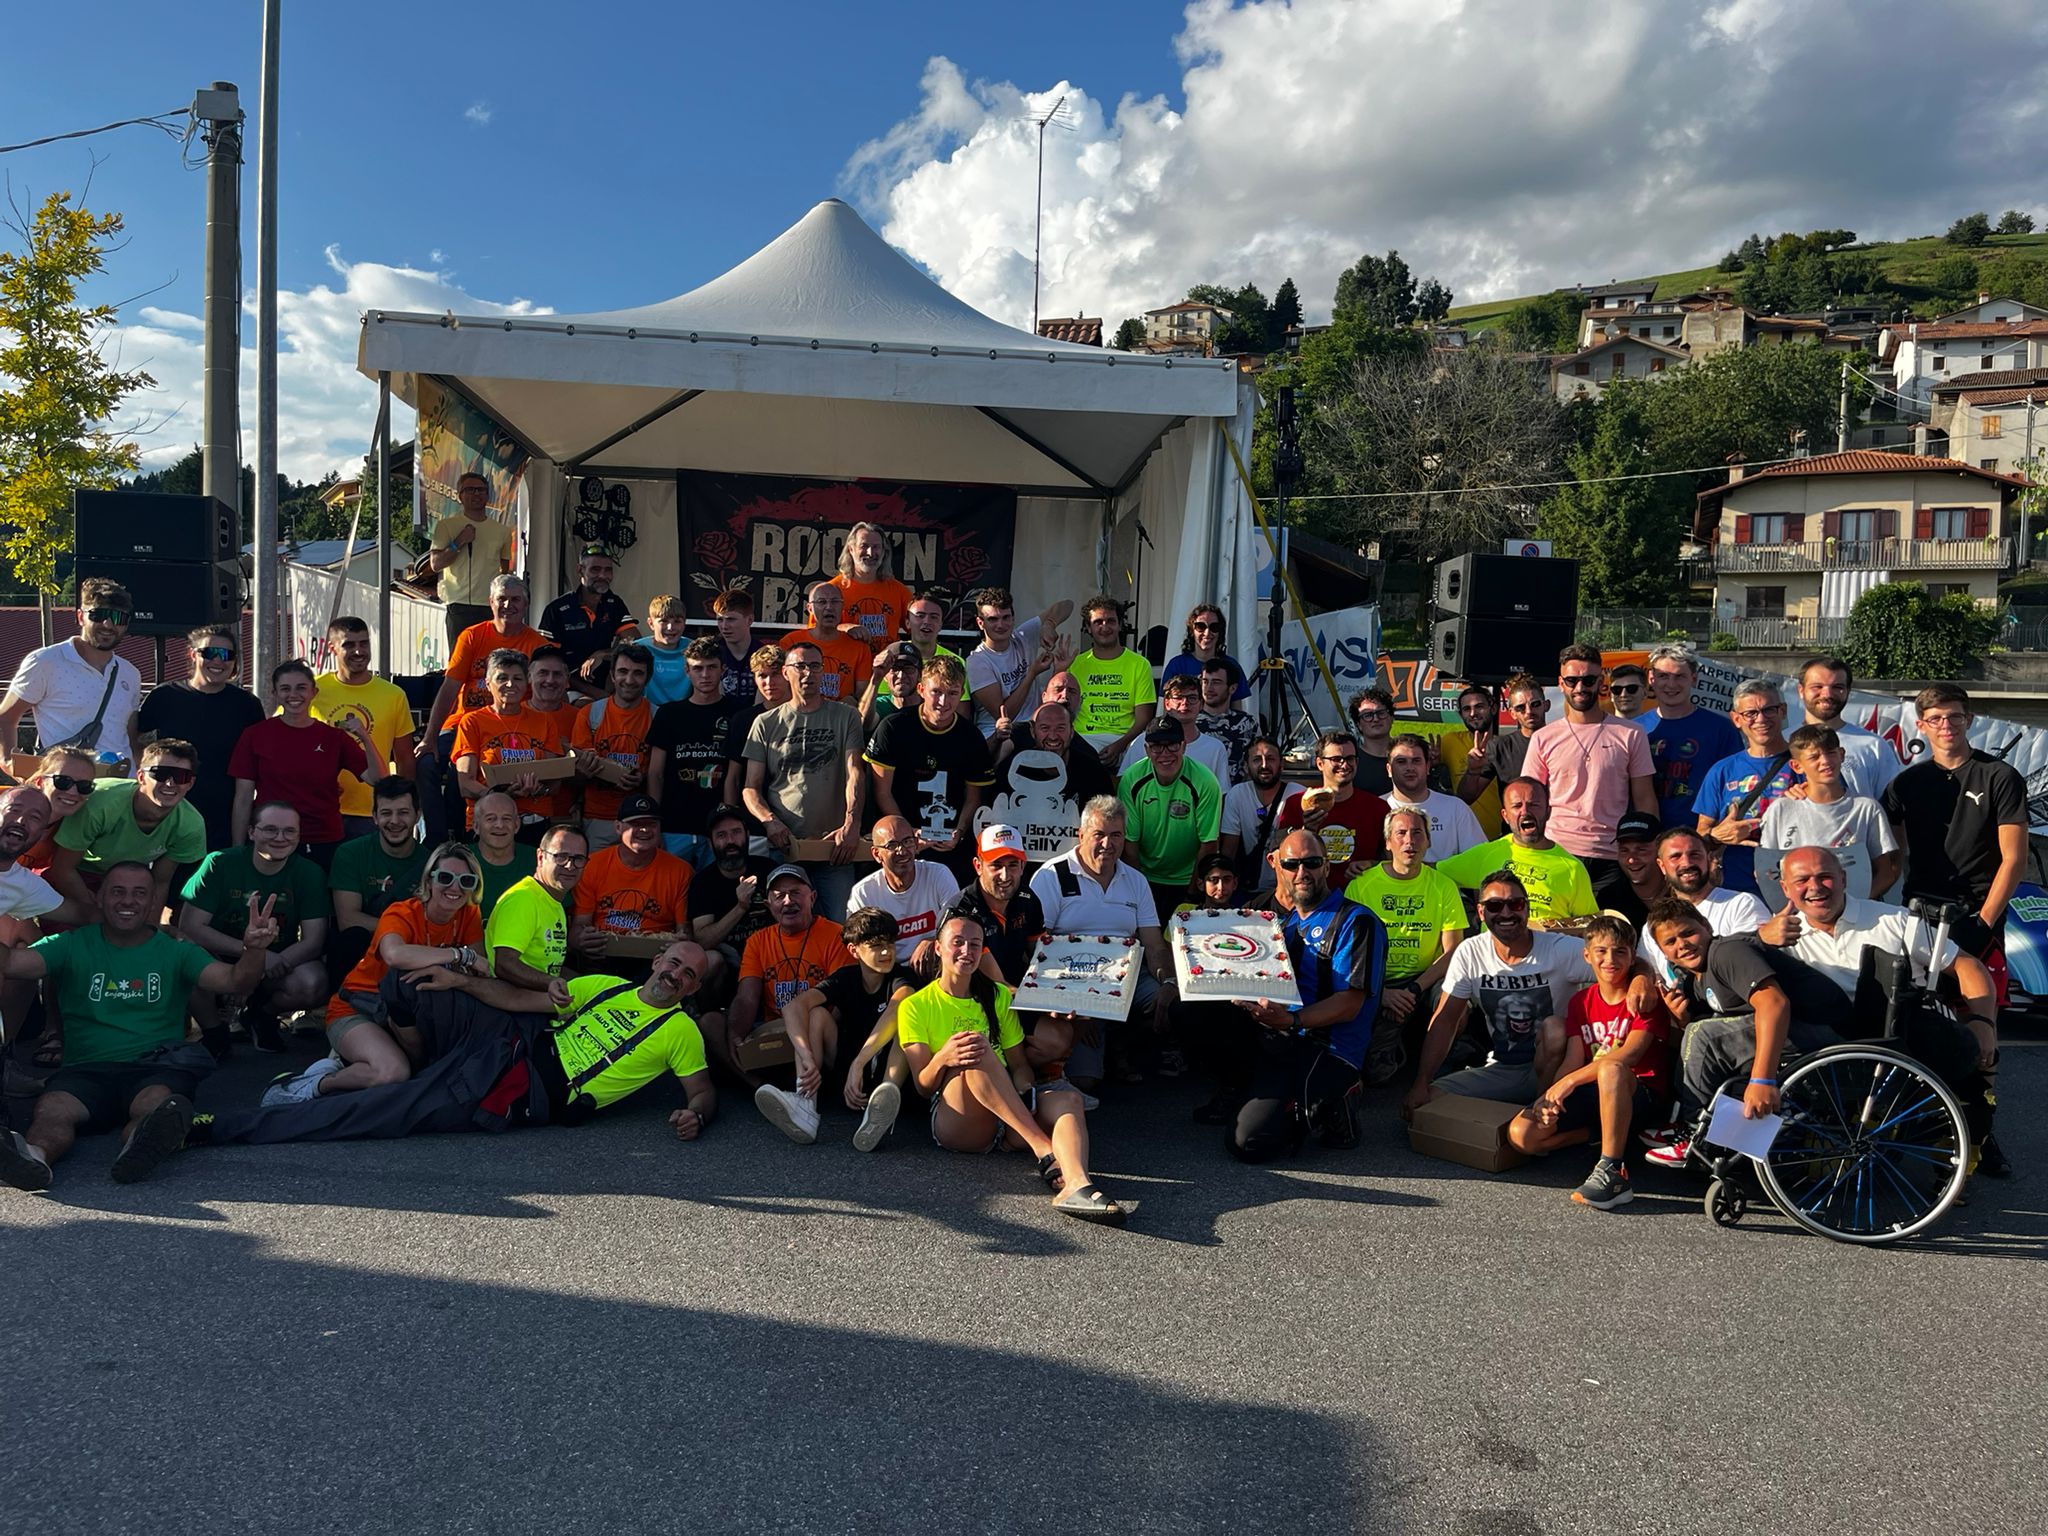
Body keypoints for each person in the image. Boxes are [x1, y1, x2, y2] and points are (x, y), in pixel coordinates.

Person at [190, 939, 717, 1148]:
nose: (675, 975)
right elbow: (516, 1001)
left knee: (384, 1111)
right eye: (673, 962)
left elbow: (701, 1091)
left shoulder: (681, 1032)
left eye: (688, 975)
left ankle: (217, 1128)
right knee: (412, 981)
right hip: (512, 1038)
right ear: (656, 961)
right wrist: (461, 982)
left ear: (692, 988)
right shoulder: (607, 986)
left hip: (520, 1087)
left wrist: (696, 1113)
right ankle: (409, 1065)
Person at [0, 871, 276, 1190]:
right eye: (117, 891)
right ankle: (33, 1158)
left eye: (139, 893)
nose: (128, 900)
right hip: (85, 1070)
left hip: (154, 1066)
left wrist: (254, 949)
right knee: (52, 1110)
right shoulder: (69, 944)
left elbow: (235, 981)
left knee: (155, 1105)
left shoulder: (176, 951)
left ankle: (138, 1150)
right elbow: (11, 965)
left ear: (152, 903)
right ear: (100, 899)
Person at [1774, 845, 2005, 1174]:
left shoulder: (1892, 920)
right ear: (1785, 888)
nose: (1815, 886)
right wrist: (1762, 939)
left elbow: (1968, 968)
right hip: (1832, 1048)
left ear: (1843, 879)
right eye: (1802, 880)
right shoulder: (1780, 933)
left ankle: (1967, 1145)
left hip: (1903, 1035)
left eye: (1825, 876)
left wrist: (1984, 1023)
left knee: (1971, 1052)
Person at [897, 907, 1129, 1226]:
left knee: (1068, 1100)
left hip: (1006, 1116)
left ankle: (1076, 1184)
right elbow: (923, 1087)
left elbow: (1020, 1066)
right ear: (938, 947)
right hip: (958, 1121)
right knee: (974, 1048)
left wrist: (1023, 1091)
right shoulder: (915, 1005)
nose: (966, 951)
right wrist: (943, 1057)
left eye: (975, 944)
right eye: (957, 942)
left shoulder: (996, 996)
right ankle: (1044, 1149)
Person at [1207, 830, 1385, 1161]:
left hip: (1328, 1048)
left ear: (1326, 865)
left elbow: (1350, 1004)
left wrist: (1292, 1020)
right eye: (1292, 864)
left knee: (1249, 1143)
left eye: (1311, 863)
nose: (1301, 873)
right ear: (1278, 868)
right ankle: (1245, 1090)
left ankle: (1341, 1096)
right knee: (1205, 1013)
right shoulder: (1282, 924)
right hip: (1281, 1035)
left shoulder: (1356, 921)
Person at [270, 842, 487, 1104]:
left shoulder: (469, 913)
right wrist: (459, 955)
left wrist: (462, 960)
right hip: (358, 1008)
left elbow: (481, 965)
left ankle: (346, 1063)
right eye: (445, 877)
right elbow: (395, 955)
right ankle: (317, 1083)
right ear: (429, 882)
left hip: (410, 1012)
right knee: (392, 1073)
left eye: (466, 880)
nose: (455, 887)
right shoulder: (402, 912)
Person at [1642, 898, 1849, 1163]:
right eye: (1670, 942)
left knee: (1704, 1036)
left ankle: (1695, 1134)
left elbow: (1774, 1003)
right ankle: (1699, 1128)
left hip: (1823, 1030)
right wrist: (1682, 1020)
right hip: (1798, 1031)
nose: (1682, 944)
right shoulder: (1695, 977)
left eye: (1688, 932)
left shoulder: (1727, 952)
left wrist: (1762, 1081)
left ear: (1706, 926)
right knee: (1698, 1028)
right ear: (1662, 951)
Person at [1508, 915, 1670, 1210]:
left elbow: (1629, 1055)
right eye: (1601, 951)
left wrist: (1568, 1083)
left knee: (1611, 1067)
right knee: (1523, 1135)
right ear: (1587, 955)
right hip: (1595, 1093)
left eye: (1620, 951)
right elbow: (1572, 1059)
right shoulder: (1581, 1001)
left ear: (1633, 956)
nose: (1611, 959)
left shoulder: (1644, 998)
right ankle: (1597, 1135)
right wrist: (1549, 1097)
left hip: (1640, 1095)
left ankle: (1612, 1171)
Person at [1402, 870, 1594, 1116]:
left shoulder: (1560, 948)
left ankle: (1543, 1114)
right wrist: (1420, 1083)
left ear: (1527, 909)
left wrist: (1641, 979)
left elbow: (1624, 962)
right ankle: (1522, 1119)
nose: (1506, 913)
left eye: (1515, 904)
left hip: (1560, 1069)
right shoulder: (1470, 952)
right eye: (1494, 905)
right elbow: (1445, 1021)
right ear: (1481, 913)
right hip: (1506, 1067)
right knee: (1427, 1103)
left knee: (1554, 1028)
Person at [1882, 683, 2027, 1005]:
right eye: (1935, 719)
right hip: (1919, 910)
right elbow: (1890, 851)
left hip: (1974, 911)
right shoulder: (1906, 783)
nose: (1946, 726)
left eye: (1954, 717)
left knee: (1976, 1013)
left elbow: (2014, 859)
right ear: (1920, 725)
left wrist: (1985, 921)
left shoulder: (1999, 776)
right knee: (1917, 1010)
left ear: (1969, 720)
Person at [1029, 797, 1179, 1090]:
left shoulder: (1135, 880)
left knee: (1175, 1003)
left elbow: (1155, 945)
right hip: (1072, 986)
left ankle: (1122, 1044)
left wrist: (1170, 982)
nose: (1107, 844)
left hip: (1125, 980)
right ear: (1081, 834)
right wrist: (1074, 1005)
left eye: (1116, 835)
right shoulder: (1050, 876)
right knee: (1084, 1081)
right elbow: (1035, 949)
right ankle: (1103, 1047)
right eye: (1099, 834)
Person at [754, 904, 919, 1147]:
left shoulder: (902, 977)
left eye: (890, 944)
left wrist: (859, 1062)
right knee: (817, 1014)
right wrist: (806, 1056)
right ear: (854, 950)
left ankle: (881, 1110)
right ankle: (805, 1105)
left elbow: (897, 1006)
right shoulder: (845, 977)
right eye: (876, 946)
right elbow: (794, 1007)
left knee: (907, 1019)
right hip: (848, 1076)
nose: (886, 952)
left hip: (885, 1073)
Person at [180, 799, 330, 1051]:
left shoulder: (310, 873)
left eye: (289, 831)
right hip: (222, 956)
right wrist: (252, 956)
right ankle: (214, 1031)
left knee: (313, 982)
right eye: (270, 829)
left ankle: (260, 1014)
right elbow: (190, 927)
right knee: (183, 956)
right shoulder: (219, 863)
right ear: (251, 832)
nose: (280, 837)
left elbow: (314, 941)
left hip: (276, 961)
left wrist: (261, 965)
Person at [419, 573, 550, 843]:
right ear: (490, 602)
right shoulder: (471, 636)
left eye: (515, 599)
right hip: (464, 722)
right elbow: (449, 688)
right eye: (501, 599)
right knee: (427, 764)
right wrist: (430, 737)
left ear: (526, 605)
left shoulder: (537, 645)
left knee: (463, 771)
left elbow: (545, 695)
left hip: (511, 728)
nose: (508, 605)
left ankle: (464, 836)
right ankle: (437, 837)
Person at [1523, 645, 1656, 908]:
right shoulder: (1543, 738)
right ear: (1561, 684)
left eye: (1588, 680)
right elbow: (1531, 802)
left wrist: (1650, 853)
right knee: (1557, 939)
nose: (1580, 687)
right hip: (1557, 852)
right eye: (1572, 680)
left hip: (1612, 857)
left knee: (1611, 940)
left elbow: (1645, 801)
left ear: (1601, 682)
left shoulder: (1631, 733)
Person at [1344, 805, 1466, 1086]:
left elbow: (1452, 953)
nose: (1409, 840)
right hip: (1376, 982)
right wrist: (1381, 992)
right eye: (1400, 833)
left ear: (1428, 840)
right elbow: (1348, 953)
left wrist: (1413, 989)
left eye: (1417, 833)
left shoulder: (1444, 886)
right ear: (1387, 843)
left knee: (1458, 999)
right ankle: (1402, 1042)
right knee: (1376, 1075)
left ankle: (1440, 1063)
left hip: (1424, 981)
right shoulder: (1362, 885)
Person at [743, 641, 865, 920]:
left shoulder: (846, 717)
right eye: (800, 666)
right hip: (785, 847)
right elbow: (751, 788)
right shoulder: (765, 722)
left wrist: (852, 823)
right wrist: (769, 822)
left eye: (815, 666)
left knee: (839, 925)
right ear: (786, 672)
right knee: (787, 925)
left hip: (835, 847)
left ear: (823, 672)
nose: (808, 673)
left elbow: (855, 772)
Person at [229, 659, 376, 870]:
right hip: (272, 839)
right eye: (285, 689)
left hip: (323, 840)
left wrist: (365, 736)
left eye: (301, 688)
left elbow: (376, 778)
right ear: (275, 694)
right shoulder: (255, 735)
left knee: (320, 902)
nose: (293, 695)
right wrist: (238, 848)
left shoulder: (334, 738)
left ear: (314, 692)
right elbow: (243, 798)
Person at [49, 738, 207, 921]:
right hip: (81, 873)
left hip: (132, 882)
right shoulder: (100, 805)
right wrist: (98, 913)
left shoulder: (190, 825)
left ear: (190, 784)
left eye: (181, 777)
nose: (170, 783)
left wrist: (149, 930)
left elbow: (160, 881)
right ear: (140, 777)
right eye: (161, 774)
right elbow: (62, 870)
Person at [136, 623, 262, 851]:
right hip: (170, 811)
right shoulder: (163, 697)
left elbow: (255, 765)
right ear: (193, 655)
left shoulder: (247, 705)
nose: (218, 661)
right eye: (210, 653)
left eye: (226, 655)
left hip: (225, 816)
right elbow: (138, 744)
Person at [720, 864, 852, 1077]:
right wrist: (736, 1034)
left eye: (795, 893)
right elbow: (747, 997)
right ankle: (758, 1086)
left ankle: (806, 1089)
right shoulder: (757, 941)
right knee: (712, 1024)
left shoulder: (837, 935)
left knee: (819, 1016)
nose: (788, 901)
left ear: (813, 897)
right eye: (779, 896)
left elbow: (842, 1002)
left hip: (819, 1033)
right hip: (774, 1034)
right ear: (768, 904)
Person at [0, 576, 142, 772]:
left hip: (120, 789)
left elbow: (130, 735)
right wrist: (10, 763)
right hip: (67, 787)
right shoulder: (46, 661)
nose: (108, 625)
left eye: (118, 618)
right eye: (98, 615)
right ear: (80, 617)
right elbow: (6, 716)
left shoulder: (130, 674)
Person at [1755, 724, 1899, 910]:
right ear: (1797, 765)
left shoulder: (1866, 808)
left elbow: (1887, 872)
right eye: (1814, 757)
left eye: (1830, 753)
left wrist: (1855, 907)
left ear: (1841, 754)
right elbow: (1766, 872)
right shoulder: (1781, 809)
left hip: (1854, 919)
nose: (1825, 761)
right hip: (1798, 921)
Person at [866, 655, 993, 862]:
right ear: (921, 689)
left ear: (961, 694)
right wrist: (907, 835)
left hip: (949, 845)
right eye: (937, 692)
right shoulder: (894, 727)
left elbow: (974, 798)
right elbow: (881, 791)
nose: (943, 702)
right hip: (900, 843)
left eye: (952, 693)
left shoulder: (971, 737)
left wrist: (959, 832)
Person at [1692, 679, 1804, 896]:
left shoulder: (1806, 763)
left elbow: (1836, 816)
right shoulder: (1722, 770)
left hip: (1797, 889)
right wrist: (1716, 836)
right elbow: (1701, 836)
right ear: (1736, 719)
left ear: (1783, 711)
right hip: (1736, 892)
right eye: (1750, 713)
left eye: (1768, 710)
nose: (1760, 719)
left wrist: (1811, 801)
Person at [310, 616, 417, 841]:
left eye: (364, 643)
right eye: (349, 644)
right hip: (321, 808)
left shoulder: (393, 695)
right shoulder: (312, 691)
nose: (358, 651)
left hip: (374, 813)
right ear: (332, 648)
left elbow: (405, 759)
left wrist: (408, 807)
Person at [644, 637, 749, 865]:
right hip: (674, 826)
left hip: (718, 830)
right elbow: (655, 773)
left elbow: (738, 775)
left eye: (711, 667)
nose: (705, 675)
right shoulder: (669, 714)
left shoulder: (739, 714)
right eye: (697, 668)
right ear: (687, 671)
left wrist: (730, 826)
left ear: (723, 669)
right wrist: (654, 823)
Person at [1436, 779, 1598, 926]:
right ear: (1505, 816)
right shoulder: (1488, 853)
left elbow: (1589, 925)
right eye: (1517, 806)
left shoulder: (1572, 868)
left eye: (1534, 804)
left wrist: (1553, 928)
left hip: (1548, 956)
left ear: (1548, 812)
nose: (1525, 811)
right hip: (1493, 956)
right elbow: (1430, 873)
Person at [976, 698, 1114, 862]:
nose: (1053, 736)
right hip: (1018, 865)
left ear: (1072, 731)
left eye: (1061, 728)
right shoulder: (1011, 769)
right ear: (1033, 732)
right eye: (1045, 728)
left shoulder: (1092, 772)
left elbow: (1107, 825)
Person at [452, 649, 568, 844]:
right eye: (502, 678)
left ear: (527, 683)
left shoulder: (545, 722)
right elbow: (465, 784)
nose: (510, 684)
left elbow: (553, 782)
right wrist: (500, 796)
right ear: (488, 683)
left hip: (535, 822)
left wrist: (537, 789)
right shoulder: (472, 722)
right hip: (488, 823)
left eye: (517, 678)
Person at [568, 797, 692, 971]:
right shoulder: (593, 865)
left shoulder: (681, 871)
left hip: (655, 960)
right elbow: (578, 926)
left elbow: (684, 932)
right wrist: (582, 939)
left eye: (651, 823)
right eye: (636, 823)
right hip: (603, 954)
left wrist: (680, 942)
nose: (644, 829)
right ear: (618, 827)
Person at [326, 776, 428, 985]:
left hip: (410, 951)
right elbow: (348, 920)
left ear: (417, 815)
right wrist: (401, 930)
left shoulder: (431, 862)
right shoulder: (350, 853)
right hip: (364, 949)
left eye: (403, 812)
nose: (394, 821)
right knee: (351, 939)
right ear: (374, 817)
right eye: (386, 813)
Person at [1118, 718, 1222, 919]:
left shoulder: (1205, 781)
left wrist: (1191, 894)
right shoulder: (1132, 779)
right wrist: (1140, 890)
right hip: (1144, 877)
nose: (1165, 754)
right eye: (1157, 747)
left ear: (1183, 746)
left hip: (1187, 880)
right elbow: (1130, 844)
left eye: (1172, 745)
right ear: (1147, 749)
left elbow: (1208, 844)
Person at [1641, 645, 1742, 830]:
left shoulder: (1721, 728)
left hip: (1701, 837)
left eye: (1679, 676)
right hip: (1645, 839)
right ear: (1651, 679)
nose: (1671, 684)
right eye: (1663, 676)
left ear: (1694, 679)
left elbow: (1734, 786)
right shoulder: (1634, 729)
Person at [485, 824, 587, 998]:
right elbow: (504, 964)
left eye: (578, 859)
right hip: (511, 1007)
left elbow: (550, 969)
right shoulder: (523, 899)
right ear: (540, 857)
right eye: (561, 857)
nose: (570, 866)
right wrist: (550, 983)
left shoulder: (553, 900)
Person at [1275, 729, 1389, 885]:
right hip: (1312, 898)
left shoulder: (1378, 807)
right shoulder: (1297, 804)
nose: (1344, 764)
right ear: (1320, 763)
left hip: (1361, 897)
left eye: (1350, 758)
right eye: (1336, 759)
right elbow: (1278, 856)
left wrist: (1372, 865)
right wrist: (1306, 831)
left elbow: (1393, 860)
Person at [571, 642, 656, 852]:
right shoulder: (590, 715)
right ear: (612, 675)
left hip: (641, 818)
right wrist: (587, 770)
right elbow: (574, 775)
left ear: (648, 678)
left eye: (638, 673)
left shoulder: (658, 717)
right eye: (623, 671)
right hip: (597, 818)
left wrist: (642, 778)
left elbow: (662, 774)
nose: (629, 680)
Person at [848, 816, 959, 971]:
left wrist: (933, 940)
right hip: (888, 972)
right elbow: (861, 947)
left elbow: (960, 926)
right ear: (876, 854)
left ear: (915, 844)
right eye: (892, 845)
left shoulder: (939, 874)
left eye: (907, 842)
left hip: (938, 965)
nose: (902, 851)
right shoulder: (864, 893)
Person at [966, 586, 1072, 736]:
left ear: (1013, 618)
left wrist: (1049, 624)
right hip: (999, 734)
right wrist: (1032, 674)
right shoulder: (977, 662)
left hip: (1035, 727)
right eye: (993, 619)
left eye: (1005, 617)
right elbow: (1005, 716)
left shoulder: (1022, 636)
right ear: (980, 623)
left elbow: (1067, 605)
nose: (1000, 625)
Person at [427, 469, 514, 646]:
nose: (476, 494)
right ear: (460, 496)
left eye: (481, 490)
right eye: (470, 490)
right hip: (459, 605)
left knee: (492, 662)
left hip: (490, 606)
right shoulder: (446, 526)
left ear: (487, 495)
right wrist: (458, 542)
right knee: (460, 663)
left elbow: (504, 572)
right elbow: (436, 564)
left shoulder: (503, 531)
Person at [1796, 656, 1901, 801]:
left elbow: (1893, 808)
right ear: (1800, 690)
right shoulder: (1783, 741)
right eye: (1817, 687)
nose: (1827, 694)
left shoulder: (1873, 745)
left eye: (1837, 687)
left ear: (1848, 691)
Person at [687, 805, 774, 973]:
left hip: (768, 954)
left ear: (747, 836)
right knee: (711, 959)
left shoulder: (768, 870)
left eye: (736, 832)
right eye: (721, 835)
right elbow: (703, 941)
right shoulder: (702, 882)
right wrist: (740, 907)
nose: (730, 841)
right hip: (728, 962)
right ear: (710, 843)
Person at [1071, 595, 1156, 764]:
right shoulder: (1075, 664)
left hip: (1128, 740)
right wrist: (1059, 670)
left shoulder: (1139, 664)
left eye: (1110, 621)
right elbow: (1060, 708)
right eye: (1098, 622)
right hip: (1085, 738)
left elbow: (1144, 718)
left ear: (1120, 624)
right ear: (1088, 627)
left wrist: (1120, 745)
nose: (1105, 627)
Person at [539, 544, 640, 685]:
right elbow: (546, 662)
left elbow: (635, 643)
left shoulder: (614, 603)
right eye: (595, 569)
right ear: (580, 570)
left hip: (608, 685)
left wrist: (602, 654)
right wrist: (599, 697)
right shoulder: (557, 609)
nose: (602, 576)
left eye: (608, 570)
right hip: (566, 686)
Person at [1218, 734, 1300, 896]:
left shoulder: (1298, 795)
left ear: (1281, 764)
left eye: (1271, 759)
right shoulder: (1237, 795)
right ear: (1246, 766)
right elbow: (1229, 851)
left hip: (1288, 890)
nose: (1264, 765)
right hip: (1248, 888)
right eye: (1256, 760)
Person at [1383, 735, 1485, 862]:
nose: (1409, 768)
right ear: (1389, 769)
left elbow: (1479, 859)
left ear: (1427, 767)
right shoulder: (1376, 808)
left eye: (1416, 761)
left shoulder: (1455, 808)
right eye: (1401, 762)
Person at [1119, 675, 1232, 789]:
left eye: (1192, 698)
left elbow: (1221, 794)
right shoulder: (1142, 742)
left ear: (1201, 704)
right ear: (1167, 703)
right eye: (1178, 697)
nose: (1185, 703)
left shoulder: (1215, 748)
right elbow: (1125, 785)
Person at [1455, 674, 1547, 809]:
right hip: (1515, 828)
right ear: (1512, 713)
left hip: (1558, 827)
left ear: (1546, 705)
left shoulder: (1564, 742)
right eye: (1520, 707)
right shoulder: (1500, 746)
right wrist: (1473, 771)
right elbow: (1465, 798)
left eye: (1535, 704)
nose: (1528, 711)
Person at [779, 581, 873, 704]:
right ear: (810, 608)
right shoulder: (791, 642)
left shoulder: (859, 647)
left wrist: (853, 700)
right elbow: (780, 687)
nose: (829, 607)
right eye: (822, 602)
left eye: (835, 602)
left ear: (842, 606)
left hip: (841, 717)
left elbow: (863, 693)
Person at [831, 520, 913, 651]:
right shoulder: (832, 590)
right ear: (851, 549)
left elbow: (917, 630)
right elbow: (816, 632)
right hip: (846, 668)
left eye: (876, 547)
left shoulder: (899, 591)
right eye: (864, 546)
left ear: (883, 552)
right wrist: (845, 628)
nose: (870, 552)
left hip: (888, 669)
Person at [1161, 602, 1250, 703]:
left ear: (1220, 632)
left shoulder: (1232, 666)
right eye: (1200, 626)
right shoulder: (1176, 665)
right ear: (1192, 631)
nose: (1207, 633)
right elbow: (1168, 707)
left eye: (1214, 627)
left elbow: (1237, 710)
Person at [1196, 658, 1259, 783]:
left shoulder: (1247, 723)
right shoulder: (1189, 721)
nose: (1209, 688)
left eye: (1216, 682)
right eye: (1205, 682)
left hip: (1236, 795)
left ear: (1233, 688)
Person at [468, 789, 527, 913]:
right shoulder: (460, 860)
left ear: (516, 825)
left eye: (506, 819)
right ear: (476, 826)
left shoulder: (539, 862)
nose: (500, 825)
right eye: (491, 819)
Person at [1608, 810, 1668, 929]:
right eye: (1624, 850)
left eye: (1641, 850)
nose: (1631, 860)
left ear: (1661, 847)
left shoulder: (1682, 892)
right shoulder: (1609, 898)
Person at [1346, 687, 1407, 796]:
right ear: (1358, 724)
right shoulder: (1351, 761)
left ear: (1391, 717)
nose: (1376, 719)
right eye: (1367, 715)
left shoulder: (1410, 755)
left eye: (1381, 713)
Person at [640, 594, 694, 708]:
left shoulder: (694, 649)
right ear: (651, 623)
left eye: (677, 621)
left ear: (685, 623)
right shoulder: (639, 649)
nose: (670, 627)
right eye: (663, 621)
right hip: (646, 713)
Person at [863, 641, 927, 737]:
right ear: (885, 675)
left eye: (908, 669)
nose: (901, 676)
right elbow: (865, 724)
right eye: (894, 669)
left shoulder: (928, 707)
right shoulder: (881, 706)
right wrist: (876, 679)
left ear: (920, 675)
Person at [710, 588, 757, 707]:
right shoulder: (711, 652)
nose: (724, 626)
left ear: (750, 620)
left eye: (731, 619)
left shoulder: (763, 654)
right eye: (720, 620)